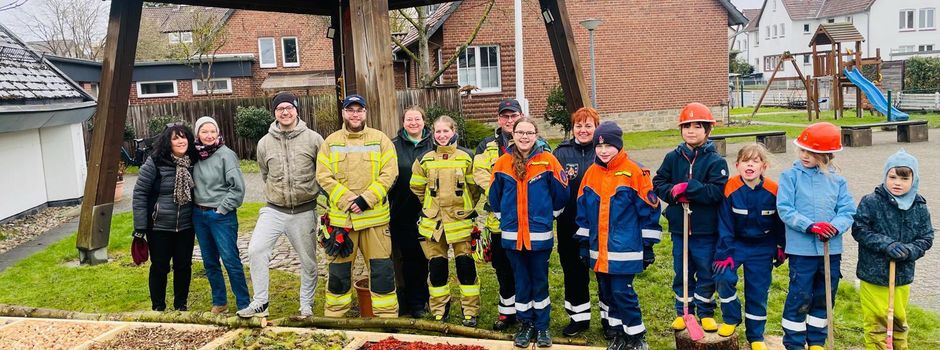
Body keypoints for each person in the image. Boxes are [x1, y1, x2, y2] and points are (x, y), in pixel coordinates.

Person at [237, 92, 324, 318]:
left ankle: (306, 305)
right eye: (279, 109)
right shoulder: (264, 143)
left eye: (289, 108)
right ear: (274, 113)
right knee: (255, 250)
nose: (285, 112)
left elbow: (323, 173)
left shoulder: (314, 139)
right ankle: (260, 303)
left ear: (297, 110)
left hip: (305, 210)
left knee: (309, 262)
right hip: (274, 209)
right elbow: (265, 174)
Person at [576, 121, 661, 350]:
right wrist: (584, 245)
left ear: (619, 145)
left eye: (609, 146)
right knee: (608, 295)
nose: (603, 151)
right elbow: (582, 212)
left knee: (623, 293)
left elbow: (649, 210)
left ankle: (637, 335)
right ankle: (619, 335)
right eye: (599, 146)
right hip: (599, 249)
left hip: (625, 249)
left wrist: (648, 246)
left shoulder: (635, 172)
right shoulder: (591, 174)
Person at [317, 94, 400, 318]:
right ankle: (335, 317)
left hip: (375, 219)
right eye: (350, 110)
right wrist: (347, 200)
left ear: (365, 113)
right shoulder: (331, 142)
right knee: (338, 274)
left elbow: (390, 173)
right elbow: (323, 176)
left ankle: (386, 320)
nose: (355, 114)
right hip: (343, 221)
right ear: (343, 113)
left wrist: (366, 200)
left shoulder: (380, 139)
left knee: (382, 272)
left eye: (359, 110)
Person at [489, 118, 567, 348]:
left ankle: (542, 327)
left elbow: (562, 193)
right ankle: (526, 325)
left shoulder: (548, 161)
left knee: (539, 282)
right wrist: (507, 221)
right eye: (520, 132)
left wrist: (548, 216)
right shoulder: (502, 163)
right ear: (513, 135)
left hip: (539, 236)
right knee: (521, 282)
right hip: (513, 237)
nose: (524, 137)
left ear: (536, 135)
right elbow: (494, 198)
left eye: (529, 132)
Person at [777, 122, 856, 350]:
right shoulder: (790, 176)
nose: (805, 155)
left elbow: (847, 210)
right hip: (801, 250)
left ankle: (817, 341)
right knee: (799, 295)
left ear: (826, 155)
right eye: (803, 150)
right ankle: (793, 342)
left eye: (812, 153)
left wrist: (834, 227)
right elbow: (785, 208)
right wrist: (809, 226)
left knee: (824, 295)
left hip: (830, 250)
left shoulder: (838, 180)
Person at [652, 102, 727, 332]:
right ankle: (683, 311)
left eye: (697, 126)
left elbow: (716, 192)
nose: (691, 131)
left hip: (705, 230)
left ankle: (705, 312)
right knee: (681, 270)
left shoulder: (716, 161)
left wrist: (689, 188)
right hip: (679, 228)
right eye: (686, 126)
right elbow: (658, 183)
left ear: (708, 130)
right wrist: (673, 194)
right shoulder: (672, 158)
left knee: (705, 270)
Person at [853, 149, 934, 350]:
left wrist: (910, 250)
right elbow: (860, 230)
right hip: (873, 274)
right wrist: (886, 244)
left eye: (904, 178)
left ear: (914, 180)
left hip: (902, 275)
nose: (897, 183)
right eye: (892, 177)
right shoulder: (871, 201)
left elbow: (927, 237)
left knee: (898, 320)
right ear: (885, 176)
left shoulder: (920, 206)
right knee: (876, 321)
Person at [410, 115, 481, 326]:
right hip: (434, 223)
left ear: (454, 131)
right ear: (433, 133)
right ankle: (440, 310)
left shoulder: (467, 157)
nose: (442, 135)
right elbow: (417, 188)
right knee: (437, 268)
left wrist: (464, 207)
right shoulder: (424, 159)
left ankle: (470, 311)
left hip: (461, 221)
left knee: (466, 267)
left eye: (446, 131)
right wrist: (431, 206)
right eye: (438, 132)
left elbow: (474, 189)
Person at [713, 143, 786, 350]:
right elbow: (725, 223)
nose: (750, 165)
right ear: (737, 165)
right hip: (735, 245)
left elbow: (780, 221)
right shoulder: (730, 187)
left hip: (763, 247)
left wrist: (781, 245)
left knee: (758, 291)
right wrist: (724, 252)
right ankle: (731, 318)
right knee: (723, 277)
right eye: (745, 161)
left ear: (764, 166)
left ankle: (755, 335)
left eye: (755, 161)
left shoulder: (774, 189)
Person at [132, 123, 199, 311]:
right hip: (159, 226)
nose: (180, 141)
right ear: (168, 142)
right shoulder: (154, 162)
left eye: (183, 136)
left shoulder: (193, 161)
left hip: (186, 226)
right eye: (175, 138)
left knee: (183, 266)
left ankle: (180, 306)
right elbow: (140, 194)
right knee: (160, 267)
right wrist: (140, 226)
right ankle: (158, 307)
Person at [552, 107, 604, 337]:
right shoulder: (561, 153)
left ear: (596, 127)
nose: (583, 130)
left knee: (604, 272)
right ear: (572, 128)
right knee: (573, 271)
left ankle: (610, 320)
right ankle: (578, 318)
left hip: (600, 222)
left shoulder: (604, 151)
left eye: (588, 126)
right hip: (569, 222)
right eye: (578, 126)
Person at [473, 98, 524, 330]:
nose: (509, 120)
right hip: (498, 222)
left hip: (525, 221)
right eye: (505, 116)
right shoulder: (487, 146)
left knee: (524, 268)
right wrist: (502, 196)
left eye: (513, 116)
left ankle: (526, 313)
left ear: (521, 117)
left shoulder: (535, 142)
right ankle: (507, 313)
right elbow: (481, 174)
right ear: (498, 119)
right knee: (502, 269)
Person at [191, 116, 249, 315]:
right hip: (199, 214)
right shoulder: (193, 155)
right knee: (210, 261)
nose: (209, 136)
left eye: (212, 131)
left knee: (230, 259)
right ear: (197, 133)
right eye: (204, 131)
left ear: (218, 133)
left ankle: (243, 303)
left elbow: (237, 189)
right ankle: (220, 301)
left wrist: (221, 209)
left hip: (221, 215)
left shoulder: (226, 155)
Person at [389, 106, 433, 318]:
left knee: (428, 258)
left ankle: (427, 301)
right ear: (403, 122)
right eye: (409, 119)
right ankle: (409, 302)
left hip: (430, 212)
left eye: (417, 118)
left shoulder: (435, 144)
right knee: (407, 259)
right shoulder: (392, 146)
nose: (413, 122)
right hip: (402, 211)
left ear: (424, 121)